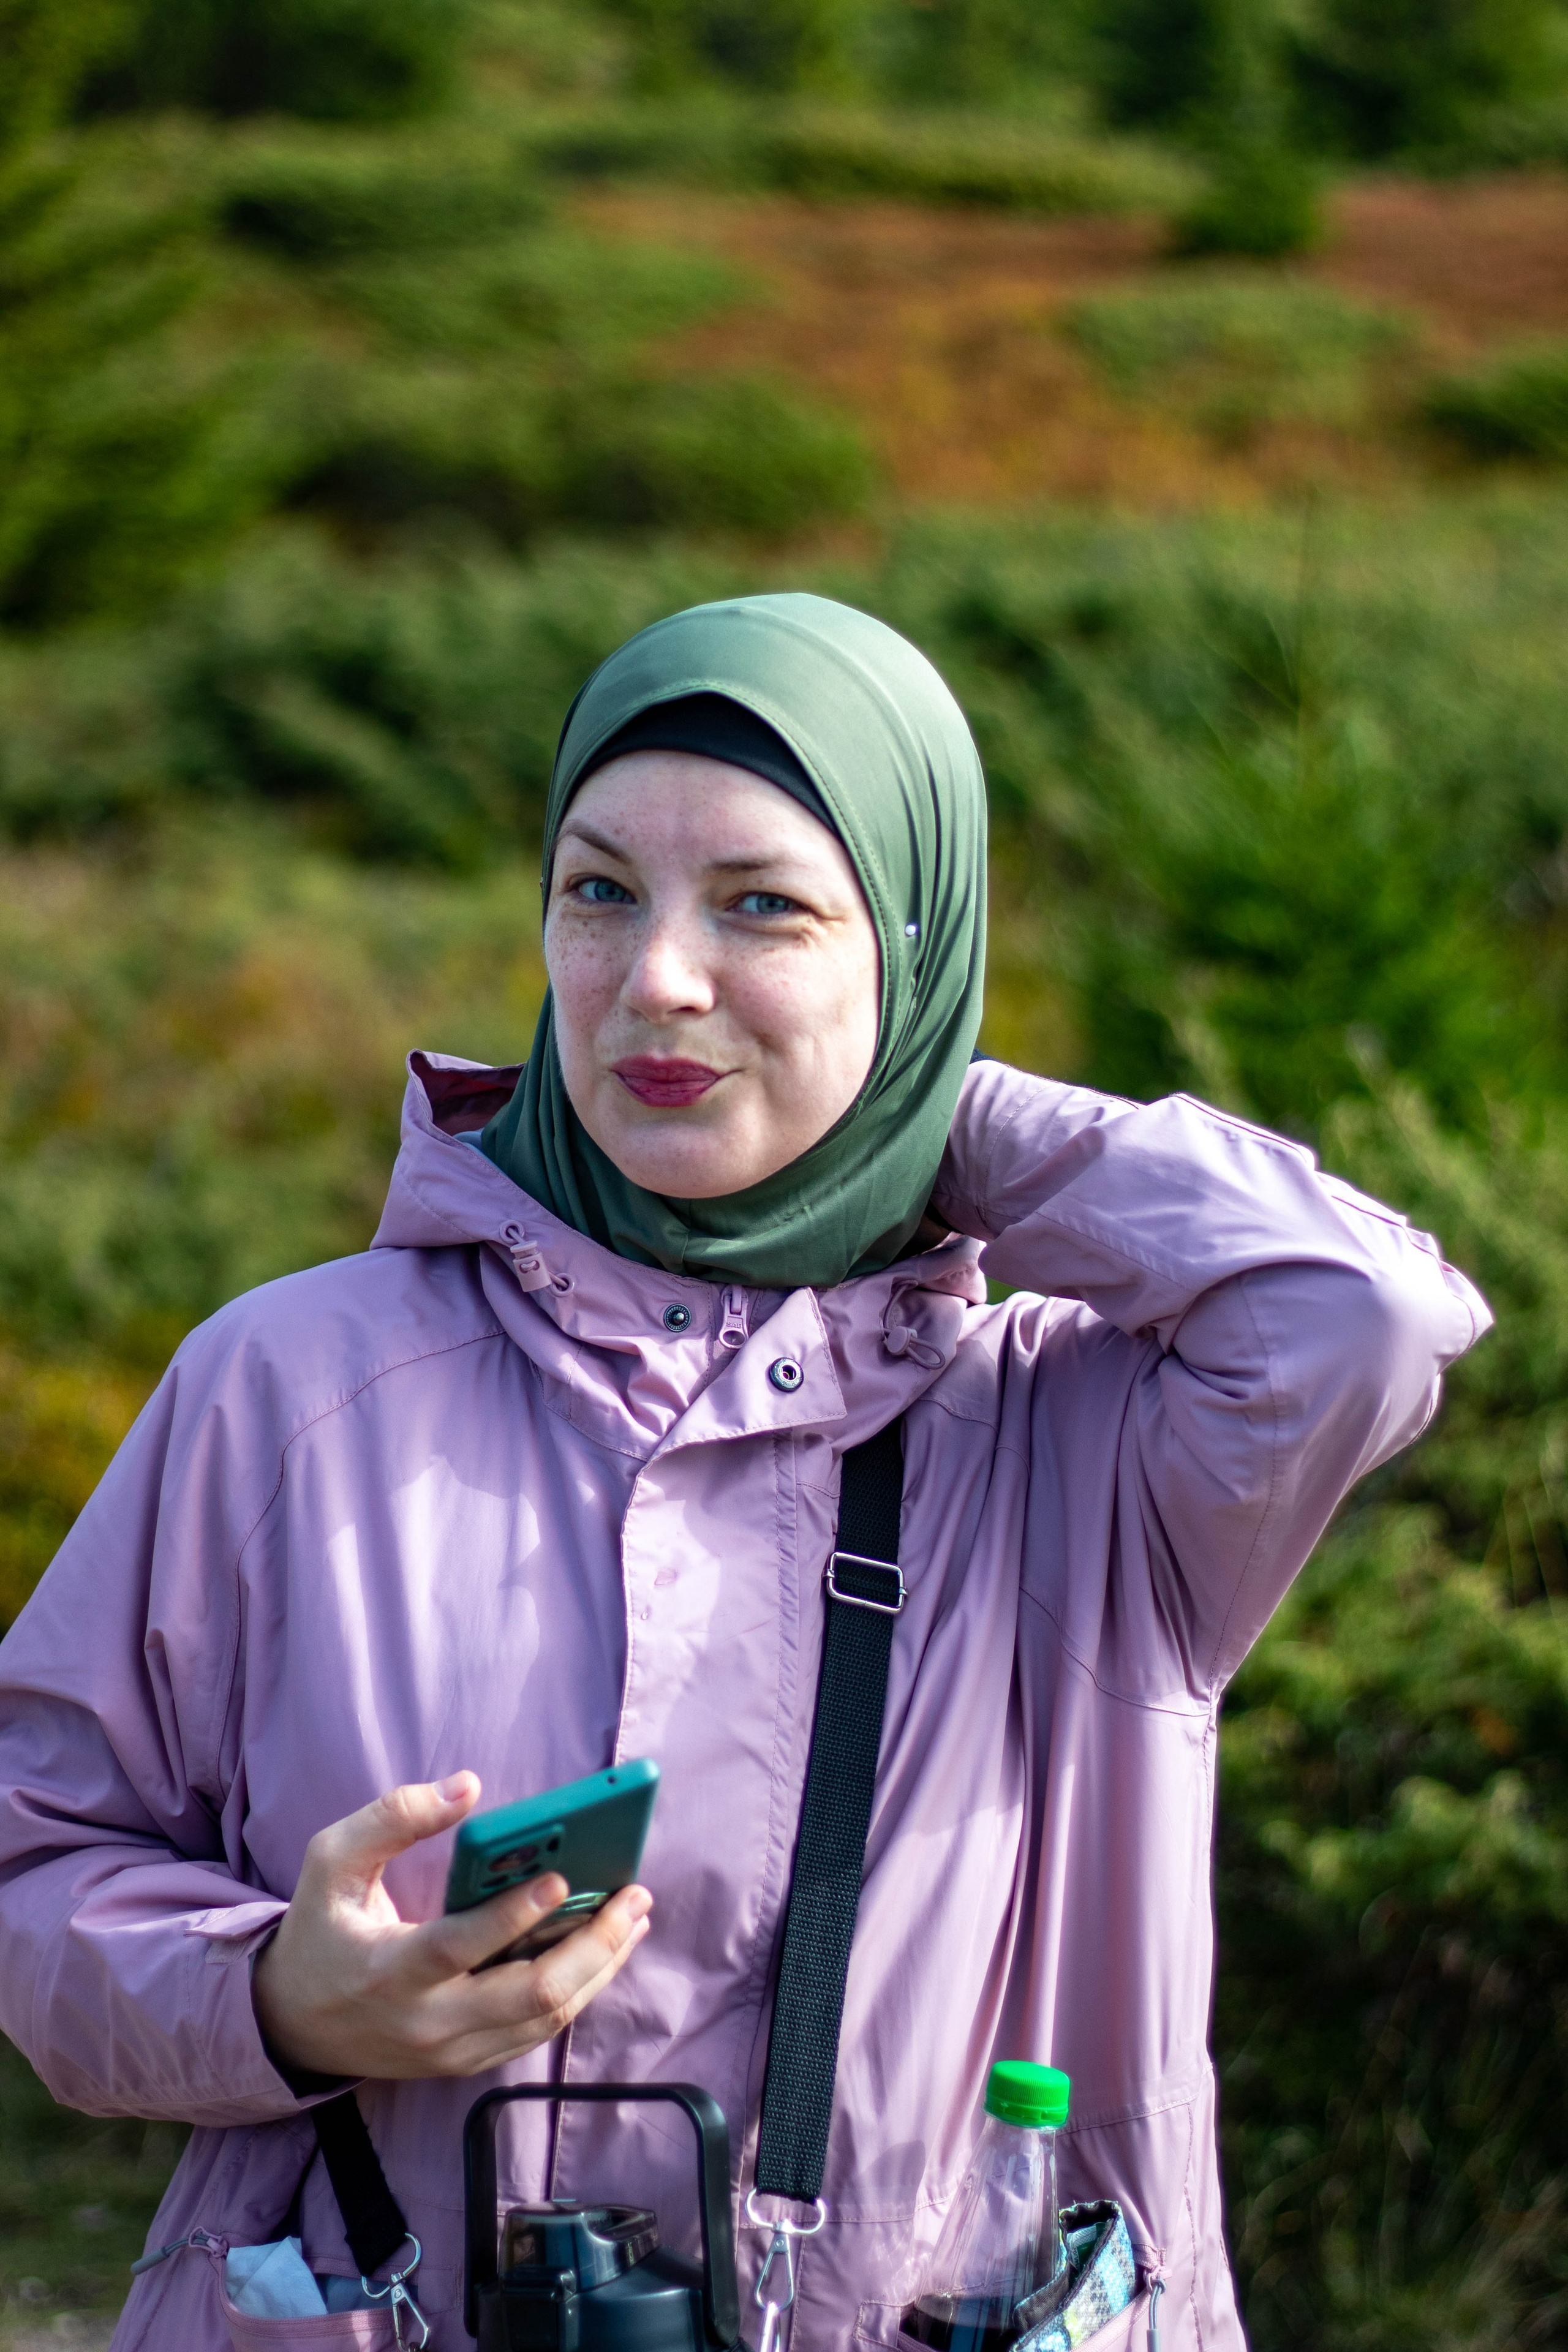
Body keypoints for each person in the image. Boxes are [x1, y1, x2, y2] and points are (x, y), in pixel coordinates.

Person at [0, 594, 1487, 2352]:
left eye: (765, 905)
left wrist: (941, 1108)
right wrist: (272, 1996)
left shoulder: (1078, 1443)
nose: (656, 980)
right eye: (598, 888)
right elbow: (37, 1868)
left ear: (913, 952)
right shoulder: (292, 1386)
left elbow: (1360, 1312)